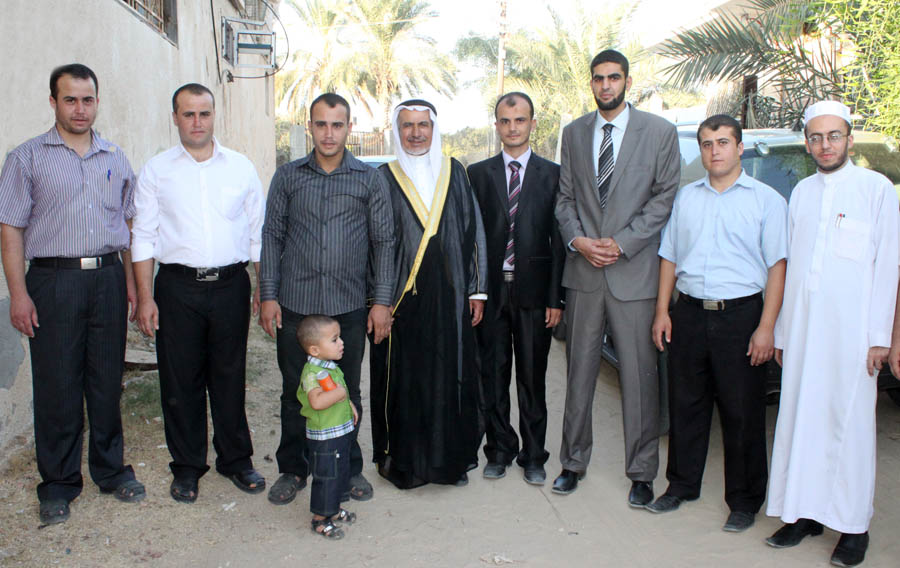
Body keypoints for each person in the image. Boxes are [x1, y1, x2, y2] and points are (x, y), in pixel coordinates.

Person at [0, 63, 145, 525]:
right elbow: (11, 228)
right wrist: (18, 294)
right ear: (53, 102)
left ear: (97, 102)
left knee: (106, 380)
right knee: (58, 385)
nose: (80, 109)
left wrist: (132, 285)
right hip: (53, 281)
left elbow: (129, 225)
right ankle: (59, 484)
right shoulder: (26, 158)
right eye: (70, 100)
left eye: (87, 100)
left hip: (107, 279)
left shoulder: (115, 157)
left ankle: (111, 470)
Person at [765, 100, 899, 568]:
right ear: (807, 143)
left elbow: (889, 266)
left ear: (849, 138)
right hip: (804, 333)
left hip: (854, 336)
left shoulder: (876, 189)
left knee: (850, 427)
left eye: (834, 136)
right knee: (802, 420)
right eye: (816, 137)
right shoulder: (801, 193)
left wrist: (880, 336)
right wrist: (783, 332)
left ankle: (853, 527)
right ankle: (804, 515)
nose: (825, 145)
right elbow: (794, 269)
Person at [646, 114, 787, 532]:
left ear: (739, 148)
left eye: (723, 142)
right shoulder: (687, 198)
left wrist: (766, 327)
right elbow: (669, 256)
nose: (714, 151)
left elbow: (777, 267)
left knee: (742, 412)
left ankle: (744, 501)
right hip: (689, 313)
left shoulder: (766, 201)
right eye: (707, 144)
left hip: (741, 316)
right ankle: (681, 485)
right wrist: (662, 311)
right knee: (686, 405)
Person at [553, 49, 681, 502]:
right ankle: (572, 463)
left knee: (640, 379)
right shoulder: (574, 133)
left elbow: (664, 198)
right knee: (579, 375)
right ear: (591, 83)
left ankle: (642, 473)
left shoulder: (659, 133)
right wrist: (579, 241)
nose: (605, 85)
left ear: (627, 80)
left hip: (635, 275)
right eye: (598, 78)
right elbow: (564, 199)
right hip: (584, 273)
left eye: (613, 77)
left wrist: (622, 242)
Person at [132, 83, 266, 504]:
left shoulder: (240, 168)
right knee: (180, 380)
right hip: (177, 288)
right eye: (188, 114)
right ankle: (188, 467)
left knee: (229, 376)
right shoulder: (157, 170)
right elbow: (143, 236)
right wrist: (145, 297)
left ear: (213, 116)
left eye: (204, 113)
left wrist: (263, 289)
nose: (196, 122)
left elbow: (257, 235)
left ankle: (235, 459)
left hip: (230, 286)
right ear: (175, 117)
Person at [259, 93, 394, 505]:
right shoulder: (288, 176)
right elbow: (272, 235)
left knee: (347, 389)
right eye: (321, 124)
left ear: (349, 127)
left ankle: (349, 468)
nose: (329, 133)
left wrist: (381, 302)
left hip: (347, 307)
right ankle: (293, 469)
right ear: (310, 127)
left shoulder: (368, 179)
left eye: (337, 125)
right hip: (297, 306)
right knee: (294, 391)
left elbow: (384, 242)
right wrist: (268, 295)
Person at [370, 98, 488, 488]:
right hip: (401, 301)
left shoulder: (455, 171)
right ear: (397, 130)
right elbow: (374, 243)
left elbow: (472, 231)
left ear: (434, 130)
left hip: (449, 297)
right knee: (404, 381)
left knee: (446, 376)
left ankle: (445, 463)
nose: (416, 133)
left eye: (423, 125)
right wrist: (379, 301)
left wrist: (477, 290)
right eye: (407, 125)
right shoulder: (383, 177)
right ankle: (404, 462)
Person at [467, 92, 564, 485]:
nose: (512, 128)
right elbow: (472, 239)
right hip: (491, 293)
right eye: (505, 121)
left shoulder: (553, 174)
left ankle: (534, 455)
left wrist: (555, 298)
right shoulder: (477, 174)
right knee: (492, 375)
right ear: (496, 126)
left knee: (531, 377)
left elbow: (559, 241)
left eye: (520, 120)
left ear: (532, 124)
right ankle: (498, 450)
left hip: (535, 294)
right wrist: (475, 291)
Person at [295, 315, 359, 540]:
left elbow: (340, 392)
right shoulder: (312, 373)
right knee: (327, 475)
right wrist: (340, 394)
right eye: (334, 339)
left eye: (339, 337)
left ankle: (334, 508)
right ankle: (320, 519)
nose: (341, 343)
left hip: (339, 431)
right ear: (314, 349)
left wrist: (349, 404)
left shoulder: (330, 367)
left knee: (340, 471)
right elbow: (317, 402)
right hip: (325, 437)